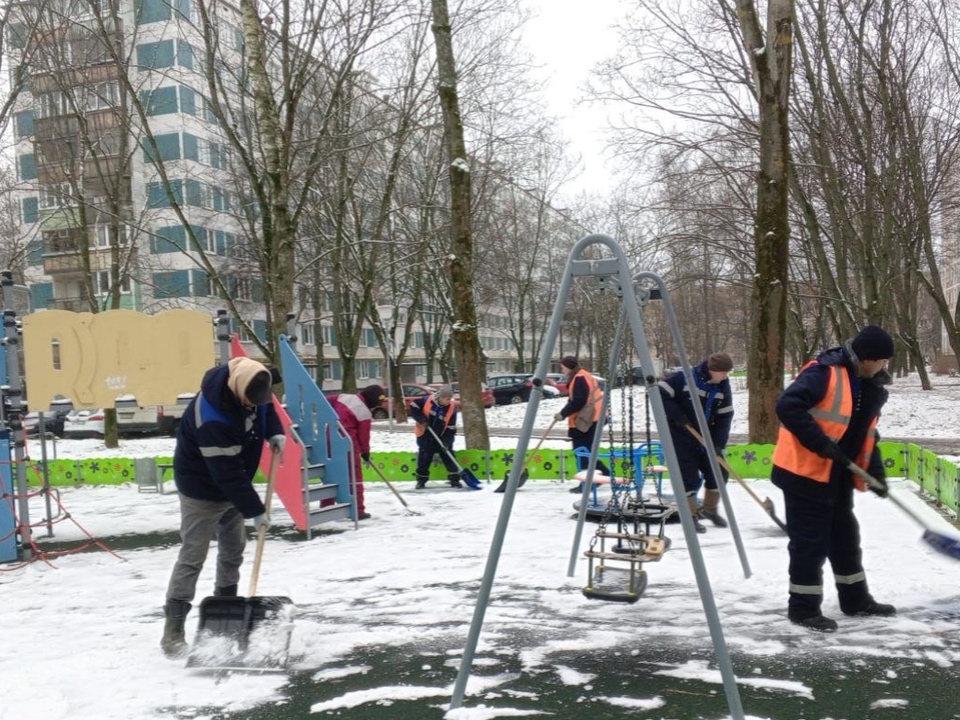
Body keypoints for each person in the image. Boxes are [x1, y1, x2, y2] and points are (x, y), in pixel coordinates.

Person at [771, 325, 896, 633]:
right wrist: (821, 443)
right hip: (805, 473)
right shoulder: (824, 372)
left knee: (845, 539)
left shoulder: (870, 385)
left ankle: (855, 600)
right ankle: (803, 609)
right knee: (809, 543)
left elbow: (866, 434)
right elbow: (788, 406)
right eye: (882, 360)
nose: (885, 367)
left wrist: (877, 475)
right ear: (867, 358)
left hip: (836, 476)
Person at [161, 356, 284, 658]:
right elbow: (225, 472)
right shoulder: (212, 418)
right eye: (250, 402)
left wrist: (274, 431)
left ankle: (225, 611)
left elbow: (265, 406)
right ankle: (172, 632)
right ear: (238, 393)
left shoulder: (251, 380)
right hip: (201, 492)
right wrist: (254, 509)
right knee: (193, 556)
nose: (256, 406)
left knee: (233, 552)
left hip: (234, 485)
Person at [657, 352, 735, 533]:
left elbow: (725, 416)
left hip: (707, 436)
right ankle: (690, 515)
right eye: (723, 372)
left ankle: (709, 509)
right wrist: (678, 416)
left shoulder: (723, 386)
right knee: (688, 478)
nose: (725, 375)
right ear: (711, 370)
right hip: (681, 435)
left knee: (719, 472)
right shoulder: (684, 378)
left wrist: (718, 444)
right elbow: (659, 393)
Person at [326, 384, 385, 521]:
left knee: (331, 477)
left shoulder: (343, 397)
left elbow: (326, 402)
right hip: (348, 447)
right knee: (354, 478)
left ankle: (327, 506)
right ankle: (358, 511)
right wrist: (365, 453)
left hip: (329, 441)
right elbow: (364, 437)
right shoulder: (364, 412)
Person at [555, 355, 610, 492]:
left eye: (562, 366)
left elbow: (579, 401)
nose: (561, 369)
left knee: (582, 452)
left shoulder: (579, 377)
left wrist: (563, 414)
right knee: (586, 451)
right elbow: (577, 399)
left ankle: (589, 483)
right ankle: (603, 475)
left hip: (588, 419)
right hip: (594, 416)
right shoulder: (582, 375)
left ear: (568, 366)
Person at [410, 385, 461, 488]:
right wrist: (422, 419)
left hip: (442, 436)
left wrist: (447, 442)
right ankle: (421, 480)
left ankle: (454, 479)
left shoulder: (451, 408)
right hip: (425, 434)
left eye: (450, 399)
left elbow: (451, 428)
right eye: (447, 399)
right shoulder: (426, 400)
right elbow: (413, 406)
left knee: (448, 455)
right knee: (425, 457)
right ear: (441, 397)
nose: (449, 401)